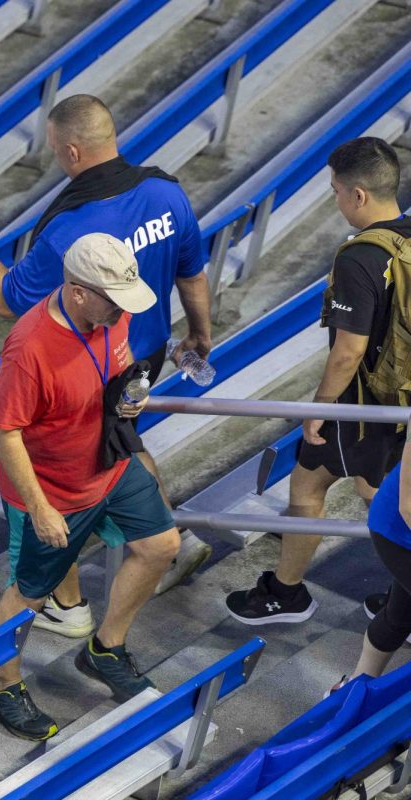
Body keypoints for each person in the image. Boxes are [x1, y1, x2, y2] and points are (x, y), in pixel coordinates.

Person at [0, 94, 212, 638]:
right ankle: (165, 541)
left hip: (92, 357)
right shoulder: (166, 192)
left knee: (76, 460)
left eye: (59, 151)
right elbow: (192, 273)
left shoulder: (67, 229)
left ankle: (70, 599)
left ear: (72, 150)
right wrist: (200, 333)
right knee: (123, 441)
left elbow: (9, 300)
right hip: (141, 357)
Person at [0, 232, 180, 740]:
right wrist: (40, 508)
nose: (123, 311)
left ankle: (104, 649)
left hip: (108, 464)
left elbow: (116, 361)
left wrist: (128, 398)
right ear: (75, 291)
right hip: (54, 490)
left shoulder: (112, 310)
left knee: (161, 545)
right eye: (113, 301)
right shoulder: (29, 348)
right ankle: (3, 685)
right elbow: (5, 432)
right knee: (29, 593)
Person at [226, 137, 410, 625]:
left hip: (363, 409)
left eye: (335, 191)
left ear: (358, 195)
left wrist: (319, 408)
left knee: (352, 495)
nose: (335, 200)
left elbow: (348, 351)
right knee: (368, 489)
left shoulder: (359, 258)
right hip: (405, 402)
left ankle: (290, 595)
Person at [330, 434, 411, 693]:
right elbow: (408, 506)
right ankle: (354, 690)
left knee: (400, 614)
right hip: (398, 531)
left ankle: (353, 687)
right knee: (398, 617)